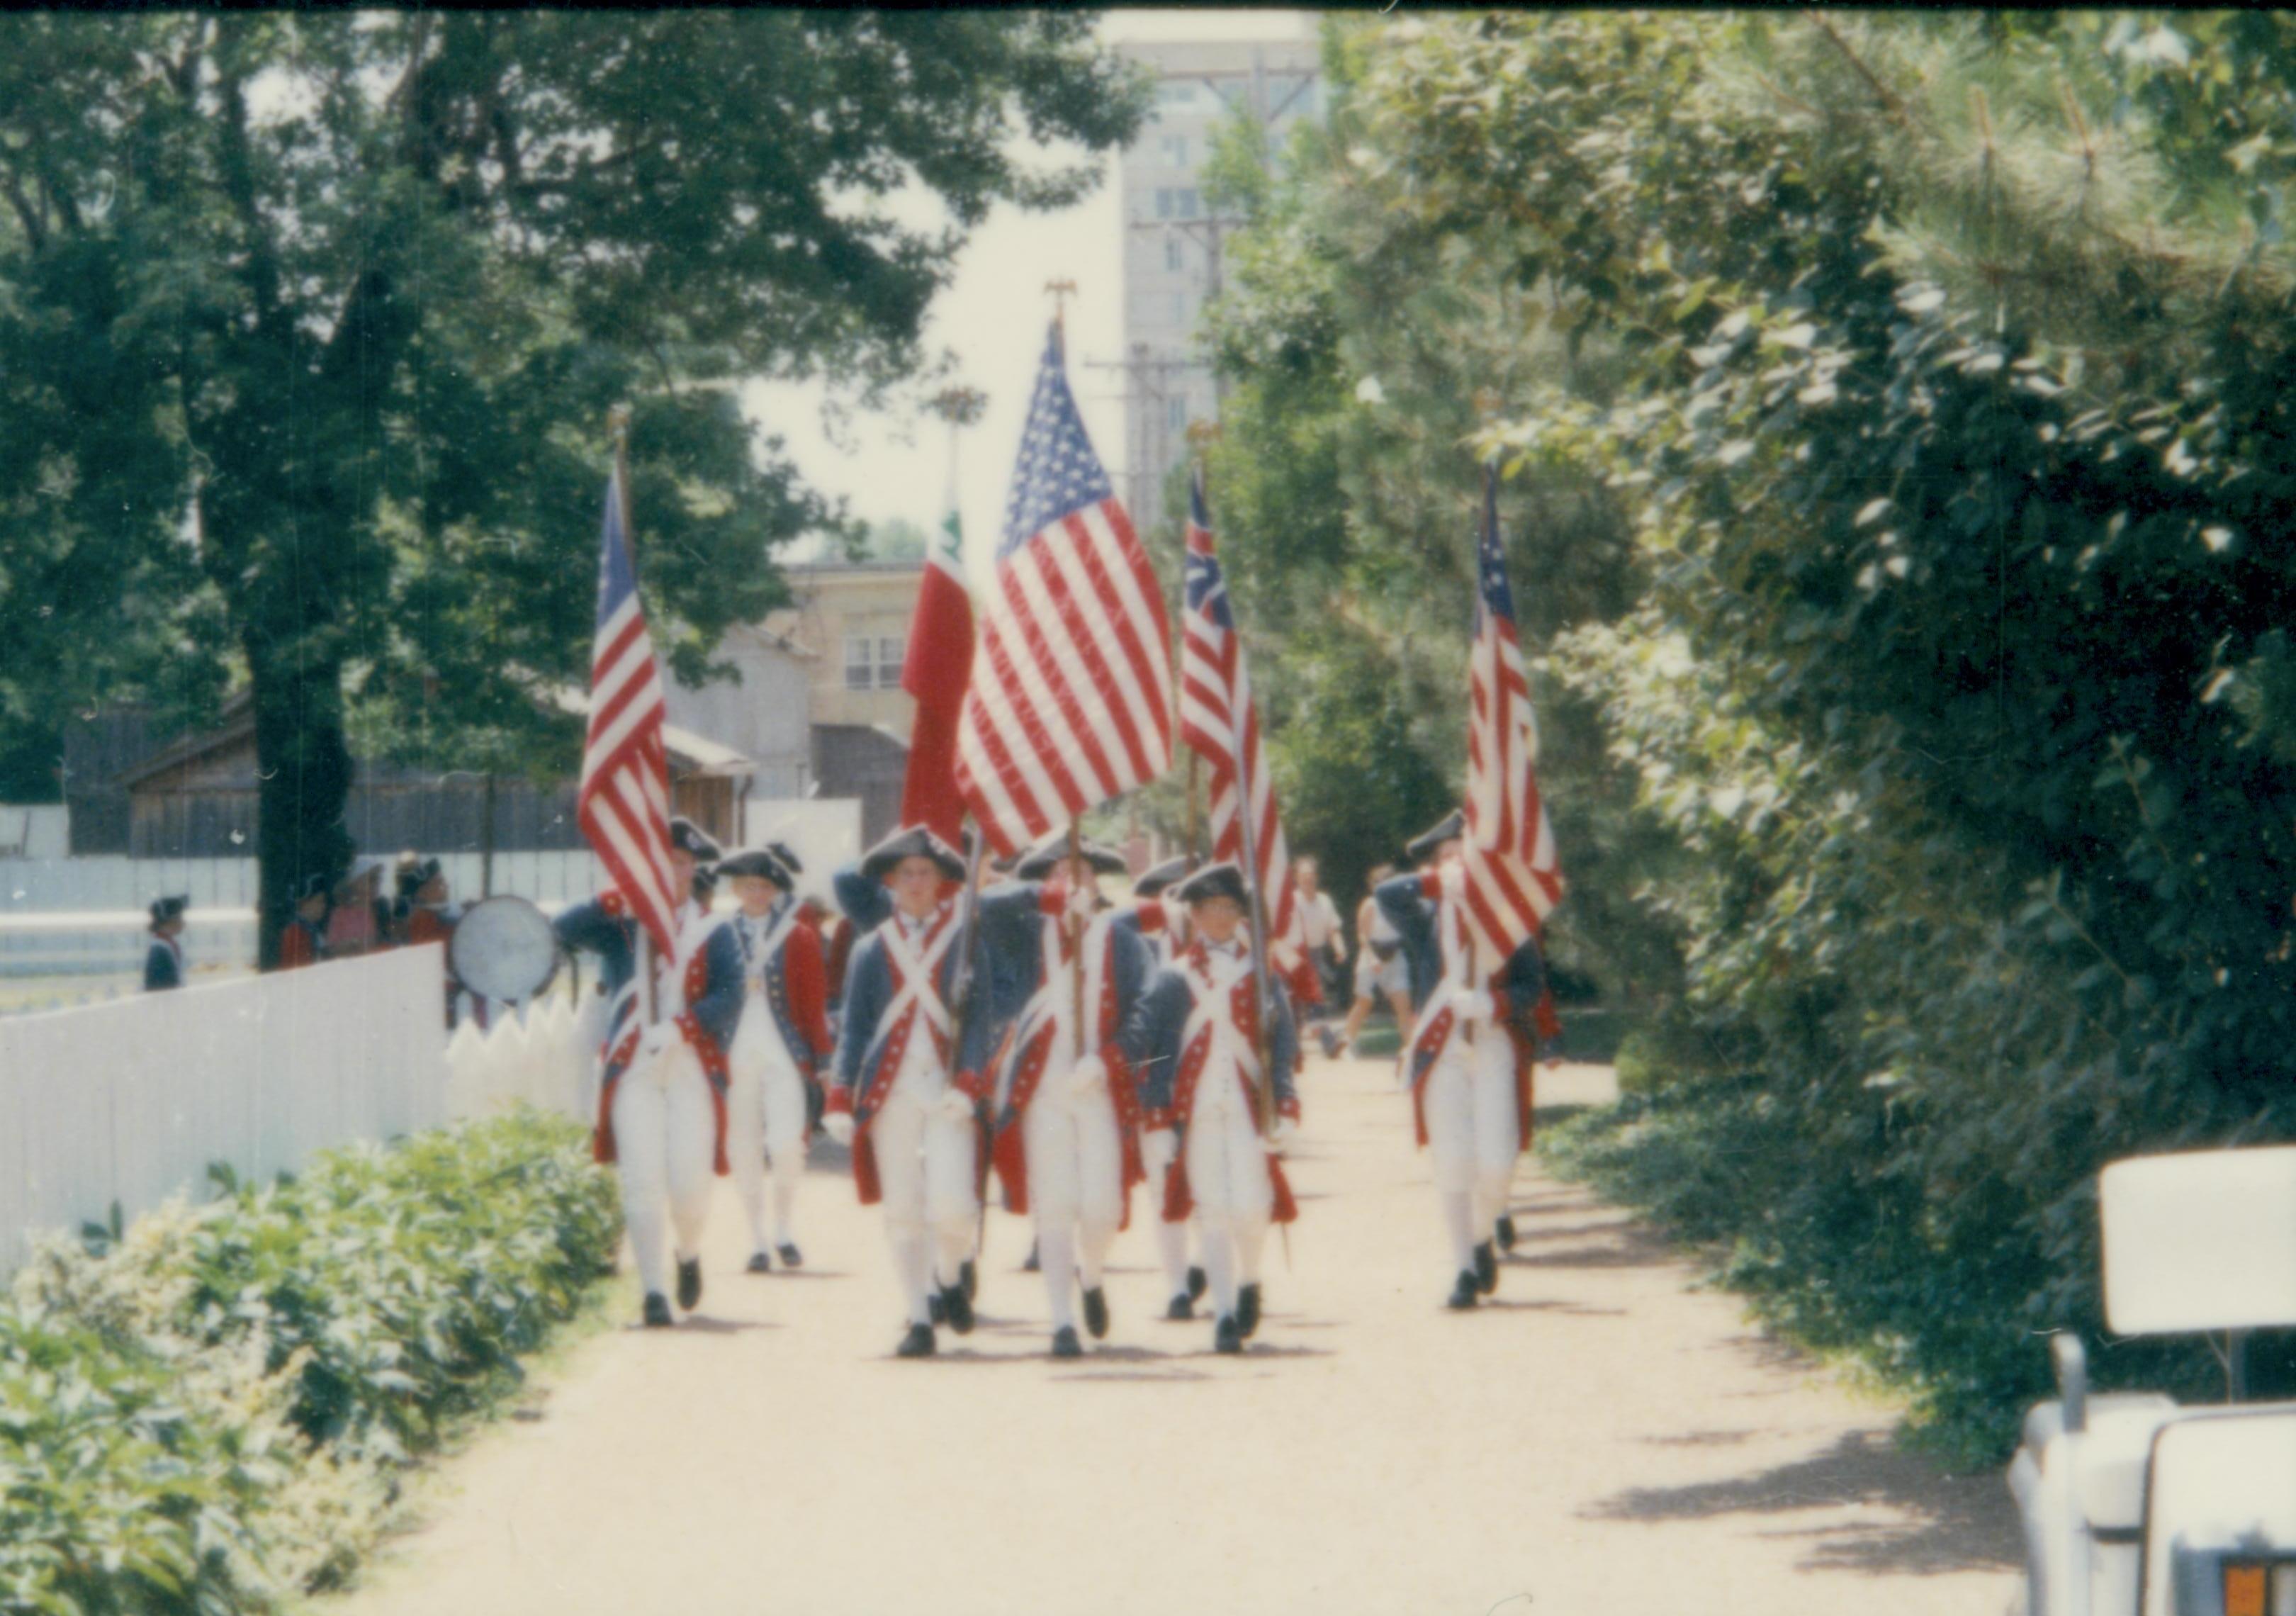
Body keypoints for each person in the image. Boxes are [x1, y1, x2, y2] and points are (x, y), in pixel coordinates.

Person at [824, 825, 1025, 1359]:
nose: (916, 883)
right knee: (905, 1210)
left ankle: (950, 1273)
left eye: (926, 874)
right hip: (891, 1094)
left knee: (955, 1207)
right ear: (891, 882)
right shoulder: (871, 949)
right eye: (907, 874)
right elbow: (856, 1029)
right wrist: (841, 1094)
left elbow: (981, 1022)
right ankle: (918, 1315)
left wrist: (969, 1082)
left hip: (948, 1092)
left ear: (943, 884)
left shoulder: (964, 943)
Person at [553, 818, 744, 1328]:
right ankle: (653, 1291)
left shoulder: (713, 928)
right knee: (641, 1179)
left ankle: (687, 1251)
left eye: (681, 863)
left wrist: (684, 1026)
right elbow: (563, 929)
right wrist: (614, 898)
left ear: (694, 870)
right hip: (633, 1063)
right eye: (660, 861)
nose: (671, 871)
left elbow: (731, 995)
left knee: (689, 1184)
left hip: (690, 1066)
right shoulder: (620, 924)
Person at [1376, 809, 1559, 1311]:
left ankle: (1481, 1237)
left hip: (1493, 1042)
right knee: (1454, 1160)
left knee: (1497, 1163)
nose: (1457, 864)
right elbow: (1386, 896)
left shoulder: (1507, 919)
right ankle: (1462, 1269)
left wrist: (1494, 1004)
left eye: (1465, 855)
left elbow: (1531, 983)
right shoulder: (1425, 917)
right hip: (1443, 1050)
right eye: (1446, 857)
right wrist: (1441, 881)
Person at [1120, 861, 1302, 1355]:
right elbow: (1157, 1050)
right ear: (1194, 916)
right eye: (1211, 909)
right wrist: (1157, 1116)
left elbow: (1282, 1041)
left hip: (1248, 1106)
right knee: (1214, 1210)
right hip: (1196, 1111)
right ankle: (1223, 1313)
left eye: (1230, 908)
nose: (1222, 918)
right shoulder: (1173, 978)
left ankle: (1249, 1280)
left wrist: (1285, 1103)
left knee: (1251, 1205)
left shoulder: (1261, 973)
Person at [984, 831, 1154, 1359]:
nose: (1070, 881)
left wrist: (1108, 1059)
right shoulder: (1022, 933)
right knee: (1054, 1205)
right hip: (1041, 1091)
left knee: (1102, 1206)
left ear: (1097, 882)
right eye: (1058, 873)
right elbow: (982, 904)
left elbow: (1147, 1010)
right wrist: (1047, 900)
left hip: (1098, 1086)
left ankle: (1094, 1275)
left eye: (1080, 873)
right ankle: (1061, 1320)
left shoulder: (1121, 940)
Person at [716, 847, 834, 1274]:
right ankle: (757, 1240)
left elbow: (813, 1002)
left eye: (765, 886)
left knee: (787, 1145)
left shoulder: (798, 937)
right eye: (749, 885)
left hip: (785, 1053)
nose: (757, 893)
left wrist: (823, 1061)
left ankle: (784, 1229)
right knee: (743, 1148)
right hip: (734, 1054)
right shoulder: (718, 932)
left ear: (775, 890)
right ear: (736, 888)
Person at [1122, 853, 1210, 1318]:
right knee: (1163, 1188)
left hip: (1211, 1083)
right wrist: (1157, 912)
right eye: (1177, 895)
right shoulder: (1144, 944)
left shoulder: (1225, 947)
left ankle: (1202, 1265)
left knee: (1212, 1186)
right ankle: (1177, 1288)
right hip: (1157, 1079)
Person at [1339, 862, 1414, 1056]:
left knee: (1403, 1005)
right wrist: (1372, 959)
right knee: (1364, 1002)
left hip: (1395, 956)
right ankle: (1347, 1044)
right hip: (1372, 955)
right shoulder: (1370, 905)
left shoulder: (1401, 906)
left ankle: (1410, 1049)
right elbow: (1362, 935)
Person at [1293, 856, 1349, 1057]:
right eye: (1303, 875)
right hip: (1294, 955)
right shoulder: (1291, 901)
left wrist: (1339, 948)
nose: (1307, 879)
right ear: (1297, 878)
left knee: (1316, 1000)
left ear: (1316, 877)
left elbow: (1333, 929)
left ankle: (1329, 1044)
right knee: (1296, 1004)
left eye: (1310, 875)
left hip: (1315, 955)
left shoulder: (1325, 901)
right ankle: (1294, 1048)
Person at [325, 858, 390, 958]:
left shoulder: (382, 910)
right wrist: (353, 944)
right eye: (372, 879)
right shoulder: (341, 914)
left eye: (378, 879)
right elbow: (332, 948)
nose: (377, 883)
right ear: (355, 883)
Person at [277, 874, 332, 970]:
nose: (324, 906)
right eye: (320, 901)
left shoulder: (312, 930)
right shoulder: (295, 932)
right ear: (304, 903)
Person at [144, 895, 189, 991]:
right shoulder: (160, 950)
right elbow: (162, 988)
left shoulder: (165, 945)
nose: (183, 922)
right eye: (180, 918)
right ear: (170, 921)